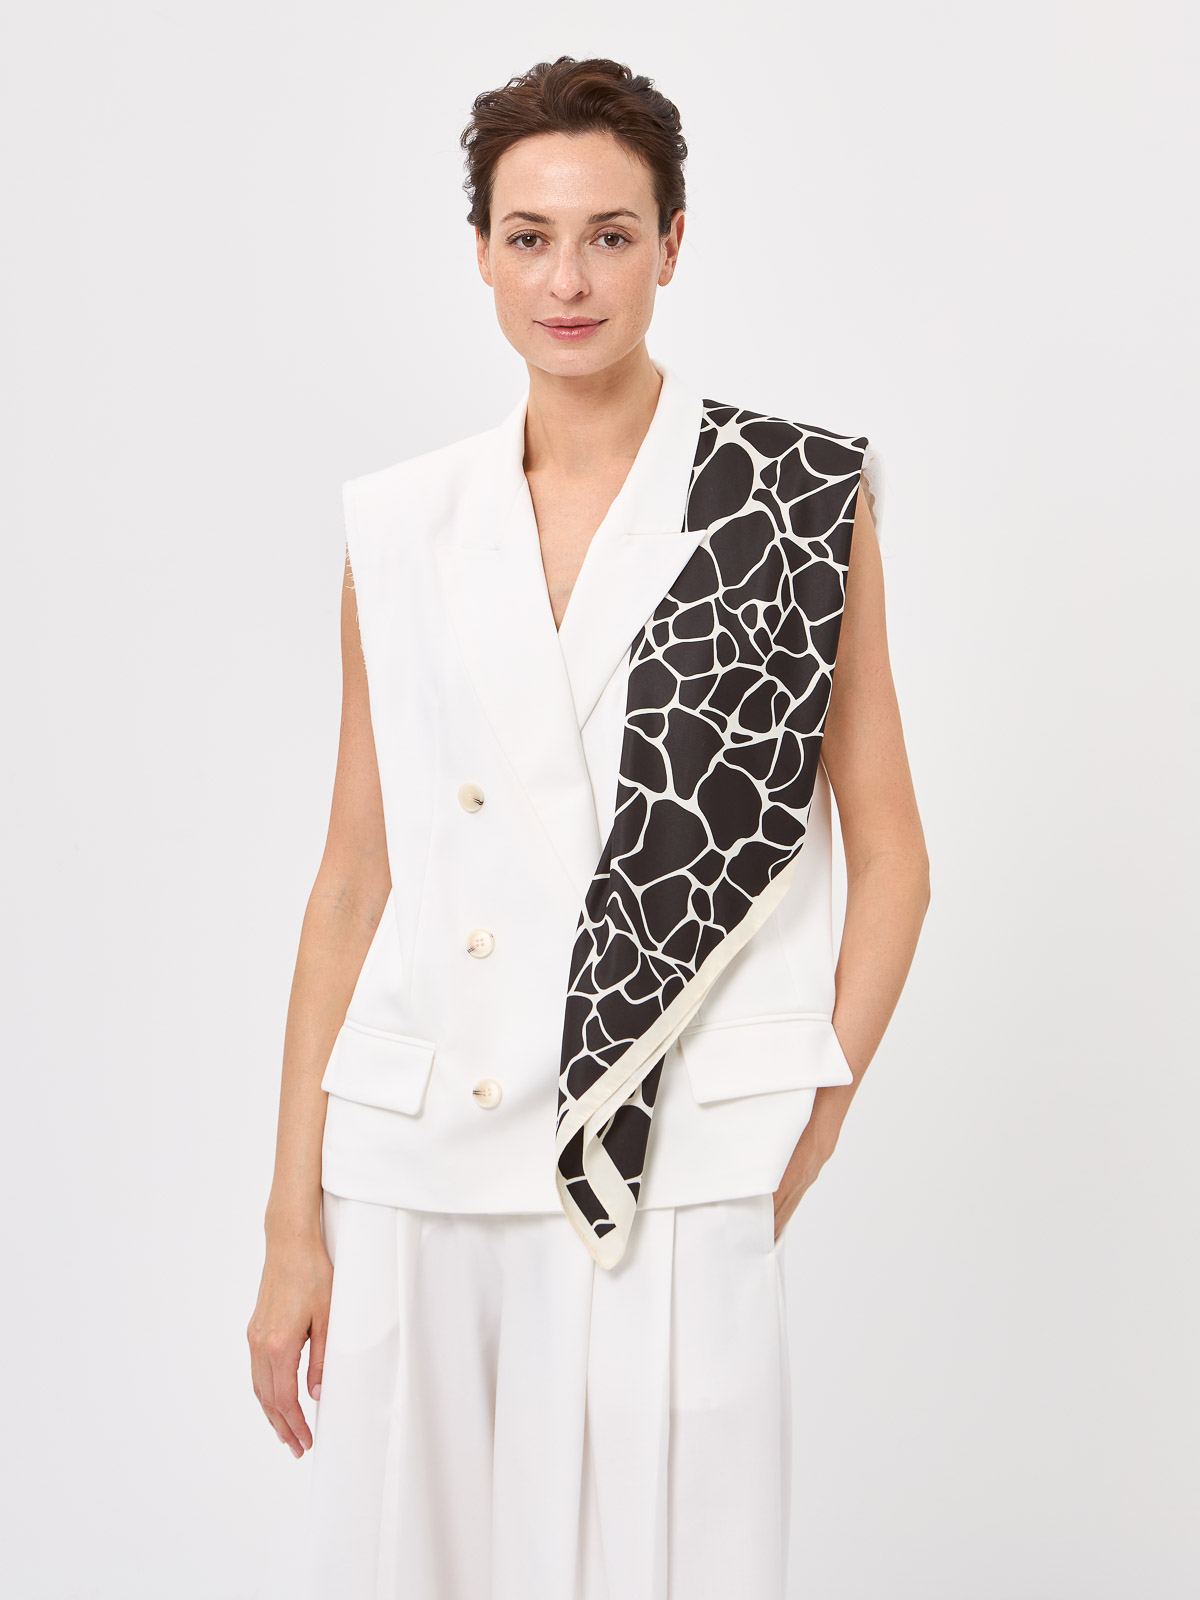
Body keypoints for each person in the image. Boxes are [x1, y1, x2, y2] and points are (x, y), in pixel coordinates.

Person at [247, 53, 929, 1600]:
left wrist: (803, 1127)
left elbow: (893, 856)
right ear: (483, 252)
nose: (569, 281)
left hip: (667, 1149)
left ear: (673, 244)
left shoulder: (795, 501)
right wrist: (292, 1226)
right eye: (531, 237)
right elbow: (354, 880)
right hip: (418, 1162)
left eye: (611, 236)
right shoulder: (398, 526)